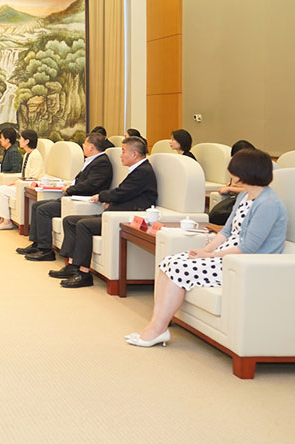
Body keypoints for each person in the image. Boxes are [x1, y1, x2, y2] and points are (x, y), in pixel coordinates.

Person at [127, 149, 287, 347]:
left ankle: (156, 330)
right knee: (168, 262)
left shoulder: (269, 204)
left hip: (244, 262)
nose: (231, 174)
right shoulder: (245, 196)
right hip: (227, 253)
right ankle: (158, 325)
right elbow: (226, 231)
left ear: (247, 172)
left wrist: (212, 255)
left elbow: (249, 247)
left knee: (179, 268)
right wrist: (207, 251)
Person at [52, 136, 158, 288]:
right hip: (114, 212)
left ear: (134, 154)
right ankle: (72, 266)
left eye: (123, 151)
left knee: (83, 225)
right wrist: (110, 200)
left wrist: (102, 196)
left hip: (124, 216)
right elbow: (125, 192)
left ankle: (84, 274)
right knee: (70, 220)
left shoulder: (143, 171)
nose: (121, 155)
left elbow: (122, 192)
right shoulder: (138, 169)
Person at [18, 133, 113, 261]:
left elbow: (91, 186)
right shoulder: (93, 160)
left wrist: (69, 189)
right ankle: (37, 244)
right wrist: (69, 185)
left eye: (85, 144)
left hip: (83, 200)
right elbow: (82, 181)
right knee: (36, 206)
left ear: (91, 147)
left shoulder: (102, 163)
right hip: (74, 197)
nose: (83, 146)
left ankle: (46, 250)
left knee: (43, 210)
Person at [0, 129, 45, 230]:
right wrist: (17, 182)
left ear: (27, 141)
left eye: (21, 139)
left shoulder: (35, 156)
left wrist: (19, 183)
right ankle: (3, 220)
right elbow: (24, 174)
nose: (19, 141)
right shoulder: (27, 154)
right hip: (23, 184)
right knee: (1, 189)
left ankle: (6, 222)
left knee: (2, 190)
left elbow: (33, 178)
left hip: (30, 186)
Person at [208, 139, 257, 225]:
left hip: (248, 201)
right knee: (215, 214)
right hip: (238, 198)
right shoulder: (243, 167)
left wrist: (231, 189)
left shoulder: (256, 168)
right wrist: (233, 186)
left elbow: (252, 190)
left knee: (218, 215)